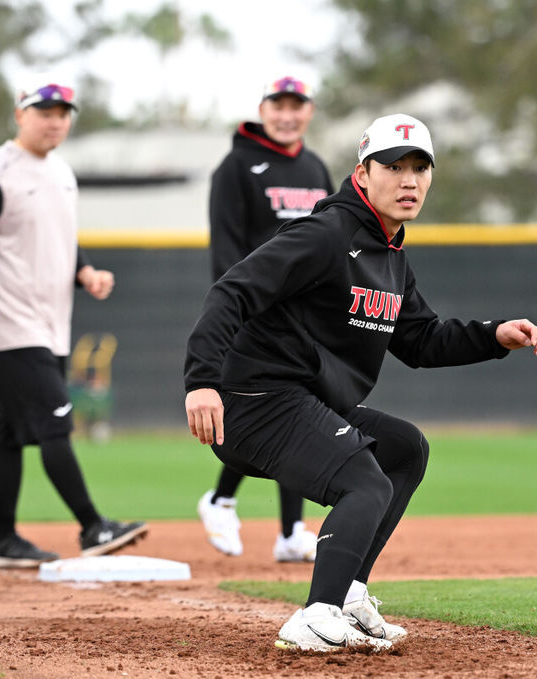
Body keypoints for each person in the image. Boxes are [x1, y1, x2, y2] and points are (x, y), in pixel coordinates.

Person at [183, 113, 537, 652]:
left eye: (420, 168)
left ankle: (349, 595)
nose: (409, 180)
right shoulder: (326, 234)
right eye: (393, 166)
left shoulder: (392, 256)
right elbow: (231, 291)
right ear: (362, 173)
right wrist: (202, 381)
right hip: (253, 400)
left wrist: (495, 336)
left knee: (403, 450)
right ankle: (315, 614)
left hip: (300, 401)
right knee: (365, 480)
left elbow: (421, 341)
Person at [0, 75, 147, 568]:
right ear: (20, 115)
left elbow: (58, 238)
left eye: (63, 113)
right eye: (45, 111)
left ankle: (2, 540)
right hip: (7, 324)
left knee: (10, 431)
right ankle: (92, 526)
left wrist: (85, 272)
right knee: (57, 422)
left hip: (50, 322)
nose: (55, 120)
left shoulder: (61, 172)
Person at [197, 76, 333, 562]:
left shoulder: (316, 167)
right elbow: (226, 246)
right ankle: (221, 499)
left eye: (297, 106)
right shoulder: (237, 166)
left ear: (308, 112)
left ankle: (292, 530)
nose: (287, 114)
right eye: (278, 105)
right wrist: (236, 306)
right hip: (254, 310)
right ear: (263, 109)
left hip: (304, 315)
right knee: (262, 409)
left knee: (301, 409)